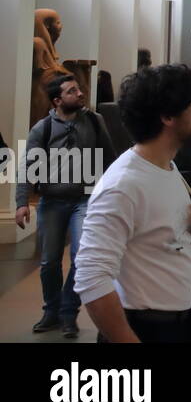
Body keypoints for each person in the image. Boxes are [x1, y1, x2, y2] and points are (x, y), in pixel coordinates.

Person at [75, 64, 191, 343]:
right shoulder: (122, 185)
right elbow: (91, 277)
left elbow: (158, 233)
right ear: (167, 116)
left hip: (182, 321)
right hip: (147, 329)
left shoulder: (166, 166)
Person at [15, 75, 117, 338]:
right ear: (58, 100)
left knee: (81, 259)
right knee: (49, 261)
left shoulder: (95, 121)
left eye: (79, 89)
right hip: (52, 202)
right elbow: (28, 167)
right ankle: (51, 311)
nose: (80, 93)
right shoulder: (43, 128)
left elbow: (109, 160)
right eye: (73, 91)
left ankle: (69, 313)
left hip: (85, 201)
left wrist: (113, 196)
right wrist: (21, 203)